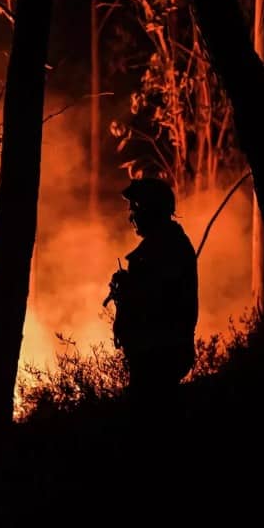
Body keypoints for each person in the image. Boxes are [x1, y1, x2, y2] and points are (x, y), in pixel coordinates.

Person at [106, 177, 199, 413]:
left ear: (151, 209)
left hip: (158, 355)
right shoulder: (168, 245)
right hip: (157, 354)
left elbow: (156, 304)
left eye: (135, 209)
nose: (131, 217)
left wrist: (128, 289)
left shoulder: (165, 249)